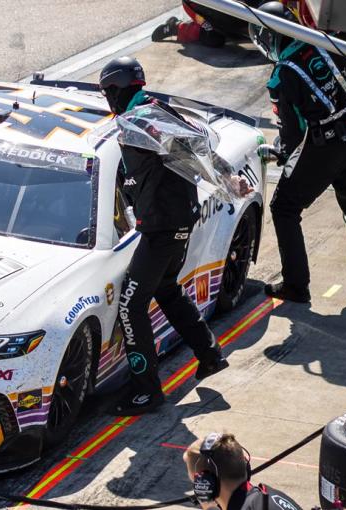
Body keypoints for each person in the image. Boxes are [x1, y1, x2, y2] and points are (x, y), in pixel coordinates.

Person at [100, 56, 229, 415]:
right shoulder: (155, 110)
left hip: (161, 227)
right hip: (176, 221)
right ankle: (210, 354)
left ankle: (146, 390)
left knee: (131, 305)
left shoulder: (142, 118)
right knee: (167, 290)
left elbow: (191, 148)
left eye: (107, 92)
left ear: (115, 89)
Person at [252, 1, 346, 303]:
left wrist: (284, 156)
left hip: (324, 146)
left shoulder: (282, 75)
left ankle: (296, 286)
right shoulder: (321, 44)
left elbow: (292, 135)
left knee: (284, 207)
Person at [184, 433, 304, 509]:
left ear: (205, 484)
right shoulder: (270, 496)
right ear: (245, 466)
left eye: (196, 483)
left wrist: (206, 501)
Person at [152, 1, 267, 47]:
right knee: (214, 38)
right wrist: (209, 27)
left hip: (247, 9)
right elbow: (203, 21)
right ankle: (176, 27)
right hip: (215, 13)